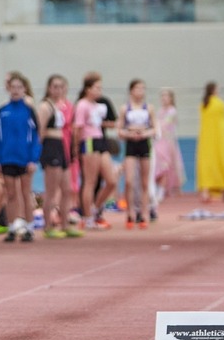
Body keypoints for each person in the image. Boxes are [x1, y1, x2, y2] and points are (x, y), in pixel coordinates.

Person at [0, 71, 40, 242]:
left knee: (26, 193)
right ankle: (12, 227)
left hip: (25, 159)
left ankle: (29, 228)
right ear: (9, 89)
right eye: (13, 87)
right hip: (7, 158)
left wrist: (33, 158)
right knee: (10, 194)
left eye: (19, 87)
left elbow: (35, 137)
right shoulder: (2, 111)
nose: (16, 90)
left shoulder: (29, 111)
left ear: (24, 89)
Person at [37, 74, 79, 238]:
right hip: (51, 147)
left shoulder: (61, 106)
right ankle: (48, 226)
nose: (58, 90)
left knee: (67, 189)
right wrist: (38, 153)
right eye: (55, 86)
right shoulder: (45, 107)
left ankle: (65, 224)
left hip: (62, 148)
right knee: (52, 190)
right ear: (49, 88)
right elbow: (39, 131)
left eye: (61, 86)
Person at [72, 72, 114, 230]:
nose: (99, 91)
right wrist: (76, 148)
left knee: (111, 180)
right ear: (88, 89)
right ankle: (88, 217)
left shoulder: (98, 106)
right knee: (90, 181)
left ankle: (95, 208)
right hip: (88, 142)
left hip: (100, 140)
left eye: (100, 88)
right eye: (96, 88)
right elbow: (77, 127)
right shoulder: (82, 104)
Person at [118, 79, 156, 229]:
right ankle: (130, 211)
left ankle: (144, 212)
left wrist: (145, 133)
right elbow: (119, 130)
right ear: (131, 91)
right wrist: (130, 134)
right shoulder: (125, 108)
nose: (141, 92)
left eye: (143, 89)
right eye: (138, 88)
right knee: (129, 180)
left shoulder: (149, 108)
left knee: (144, 182)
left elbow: (155, 128)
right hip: (131, 144)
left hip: (144, 143)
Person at [196, 81, 224, 202]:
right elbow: (223, 122)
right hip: (219, 140)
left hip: (205, 140)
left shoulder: (203, 105)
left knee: (206, 165)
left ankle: (205, 192)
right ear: (214, 91)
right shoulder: (221, 104)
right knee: (222, 162)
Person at [153, 88, 186, 201]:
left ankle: (161, 191)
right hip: (159, 142)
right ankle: (158, 189)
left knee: (166, 166)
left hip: (168, 142)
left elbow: (164, 124)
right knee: (158, 166)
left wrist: (154, 126)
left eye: (166, 96)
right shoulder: (160, 110)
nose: (164, 98)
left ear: (171, 98)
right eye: (162, 96)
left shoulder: (172, 111)